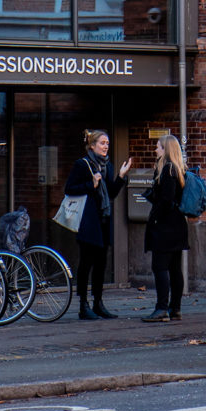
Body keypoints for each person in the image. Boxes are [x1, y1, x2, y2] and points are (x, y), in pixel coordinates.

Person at [64, 129, 131, 319]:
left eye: (107, 143)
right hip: (87, 222)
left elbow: (110, 193)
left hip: (103, 219)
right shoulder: (82, 165)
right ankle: (83, 305)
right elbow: (69, 189)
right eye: (102, 143)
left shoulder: (107, 166)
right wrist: (90, 185)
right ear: (92, 145)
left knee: (101, 263)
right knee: (87, 262)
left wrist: (120, 176)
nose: (105, 146)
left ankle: (98, 302)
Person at [141, 133, 189, 322]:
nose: (155, 150)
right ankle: (174, 308)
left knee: (160, 266)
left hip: (165, 227)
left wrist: (155, 214)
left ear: (166, 149)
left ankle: (162, 308)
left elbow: (166, 200)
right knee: (175, 268)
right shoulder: (178, 169)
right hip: (177, 225)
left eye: (158, 147)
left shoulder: (167, 170)